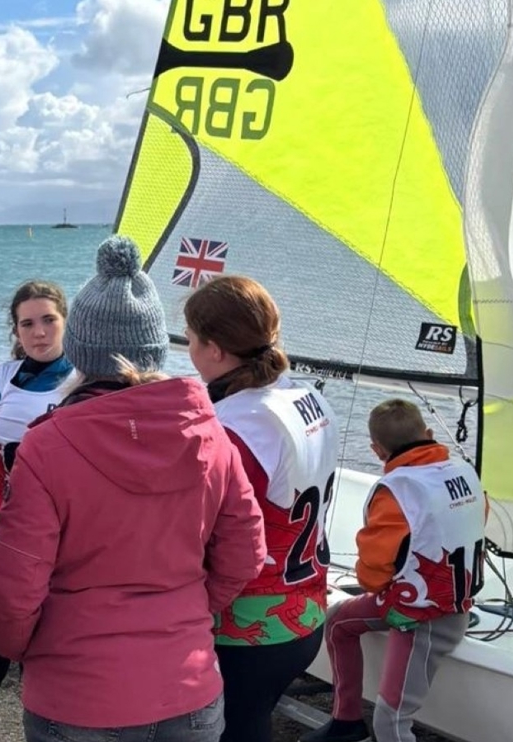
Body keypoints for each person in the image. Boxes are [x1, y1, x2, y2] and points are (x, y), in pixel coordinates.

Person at [0, 236, 267, 742]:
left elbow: (10, 589)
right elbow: (246, 551)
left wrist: (27, 649)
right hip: (188, 686)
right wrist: (192, 608)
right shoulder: (211, 434)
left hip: (78, 694)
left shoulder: (47, 446)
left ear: (80, 351)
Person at [183, 276, 341, 742]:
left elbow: (213, 537)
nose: (188, 351)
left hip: (249, 626)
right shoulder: (308, 399)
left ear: (214, 350)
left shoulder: (236, 429)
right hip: (306, 609)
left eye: (190, 340)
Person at [301, 400, 487, 742]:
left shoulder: (397, 489)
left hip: (423, 618)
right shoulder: (466, 472)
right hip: (434, 602)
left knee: (391, 721)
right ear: (429, 434)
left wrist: (378, 583)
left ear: (376, 450)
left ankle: (351, 720)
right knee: (339, 623)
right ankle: (346, 723)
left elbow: (372, 574)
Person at [0, 279, 73, 732]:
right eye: (27, 323)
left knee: (49, 674)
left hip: (68, 550)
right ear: (16, 330)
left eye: (49, 320)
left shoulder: (86, 378)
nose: (39, 332)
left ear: (67, 322)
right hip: (3, 545)